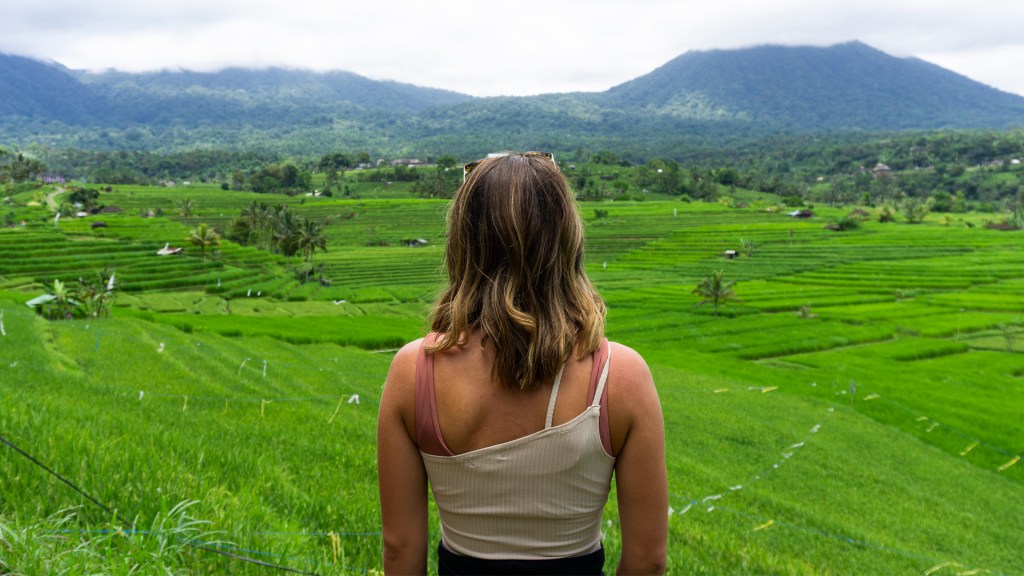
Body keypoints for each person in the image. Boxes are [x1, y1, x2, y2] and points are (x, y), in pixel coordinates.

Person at [377, 152, 667, 575]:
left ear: (464, 240)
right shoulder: (620, 376)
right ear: (566, 237)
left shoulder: (413, 370)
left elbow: (400, 550)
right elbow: (648, 558)